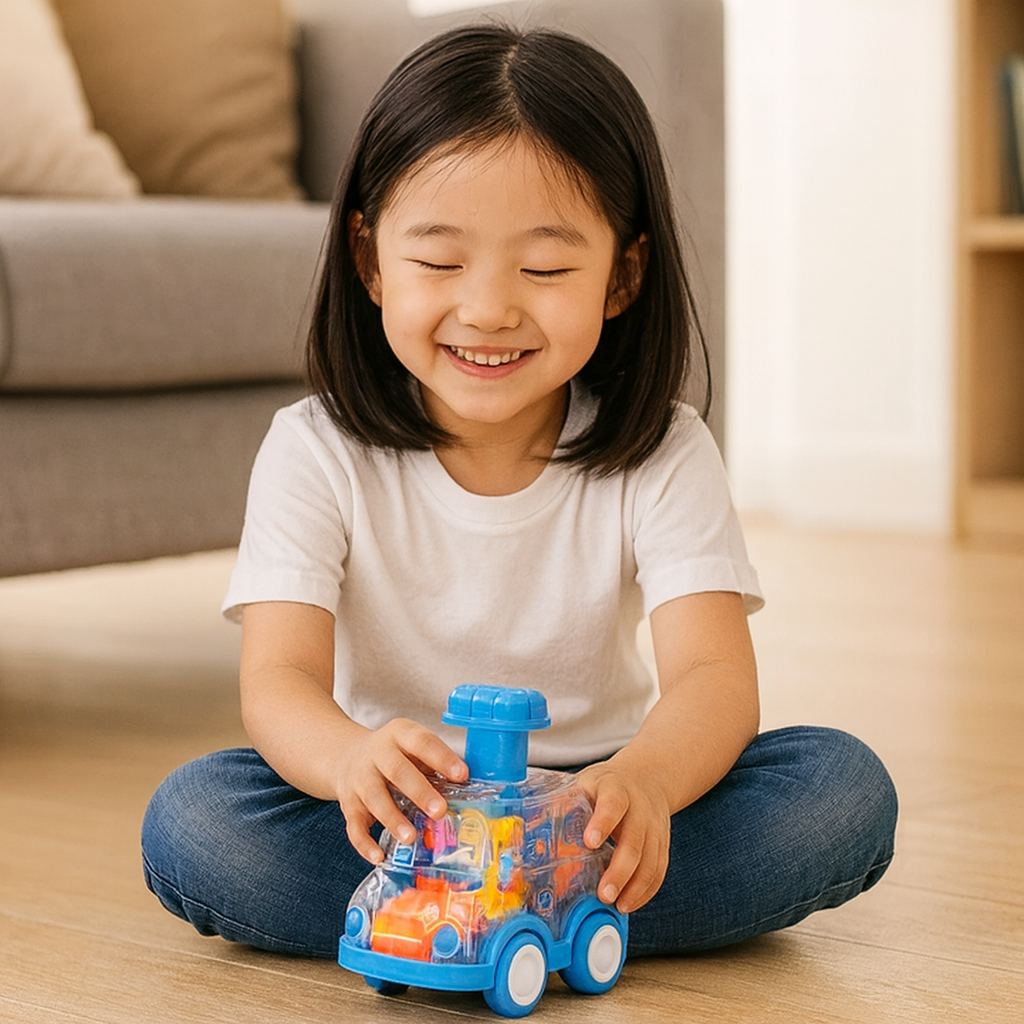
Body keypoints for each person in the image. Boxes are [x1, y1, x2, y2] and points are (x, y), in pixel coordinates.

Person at [141, 24, 897, 961]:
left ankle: (455, 928)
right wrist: (346, 757)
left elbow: (713, 678)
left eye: (544, 269)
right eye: (440, 262)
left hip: (592, 805)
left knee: (841, 788)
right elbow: (279, 679)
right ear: (370, 260)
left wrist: (648, 782)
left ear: (622, 275)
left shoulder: (662, 450)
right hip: (406, 812)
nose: (489, 308)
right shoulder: (315, 448)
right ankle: (563, 925)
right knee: (197, 819)